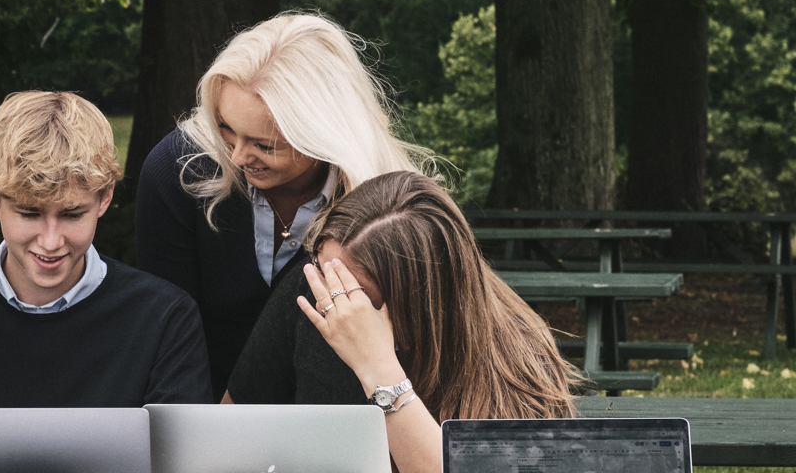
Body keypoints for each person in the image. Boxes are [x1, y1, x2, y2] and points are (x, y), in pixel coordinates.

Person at [134, 12, 429, 398]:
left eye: (264, 144)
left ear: (324, 131)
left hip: (347, 417)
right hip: (204, 415)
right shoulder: (179, 173)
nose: (238, 157)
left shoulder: (387, 205)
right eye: (225, 127)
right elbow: (165, 333)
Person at [226, 171, 583, 471]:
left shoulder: (514, 356)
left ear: (420, 303)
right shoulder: (315, 291)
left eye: (352, 293)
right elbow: (228, 429)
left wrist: (379, 369)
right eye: (323, 273)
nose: (331, 301)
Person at [0, 91, 211, 408]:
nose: (50, 242)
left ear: (105, 197)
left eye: (72, 215)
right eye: (30, 213)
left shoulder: (165, 318)